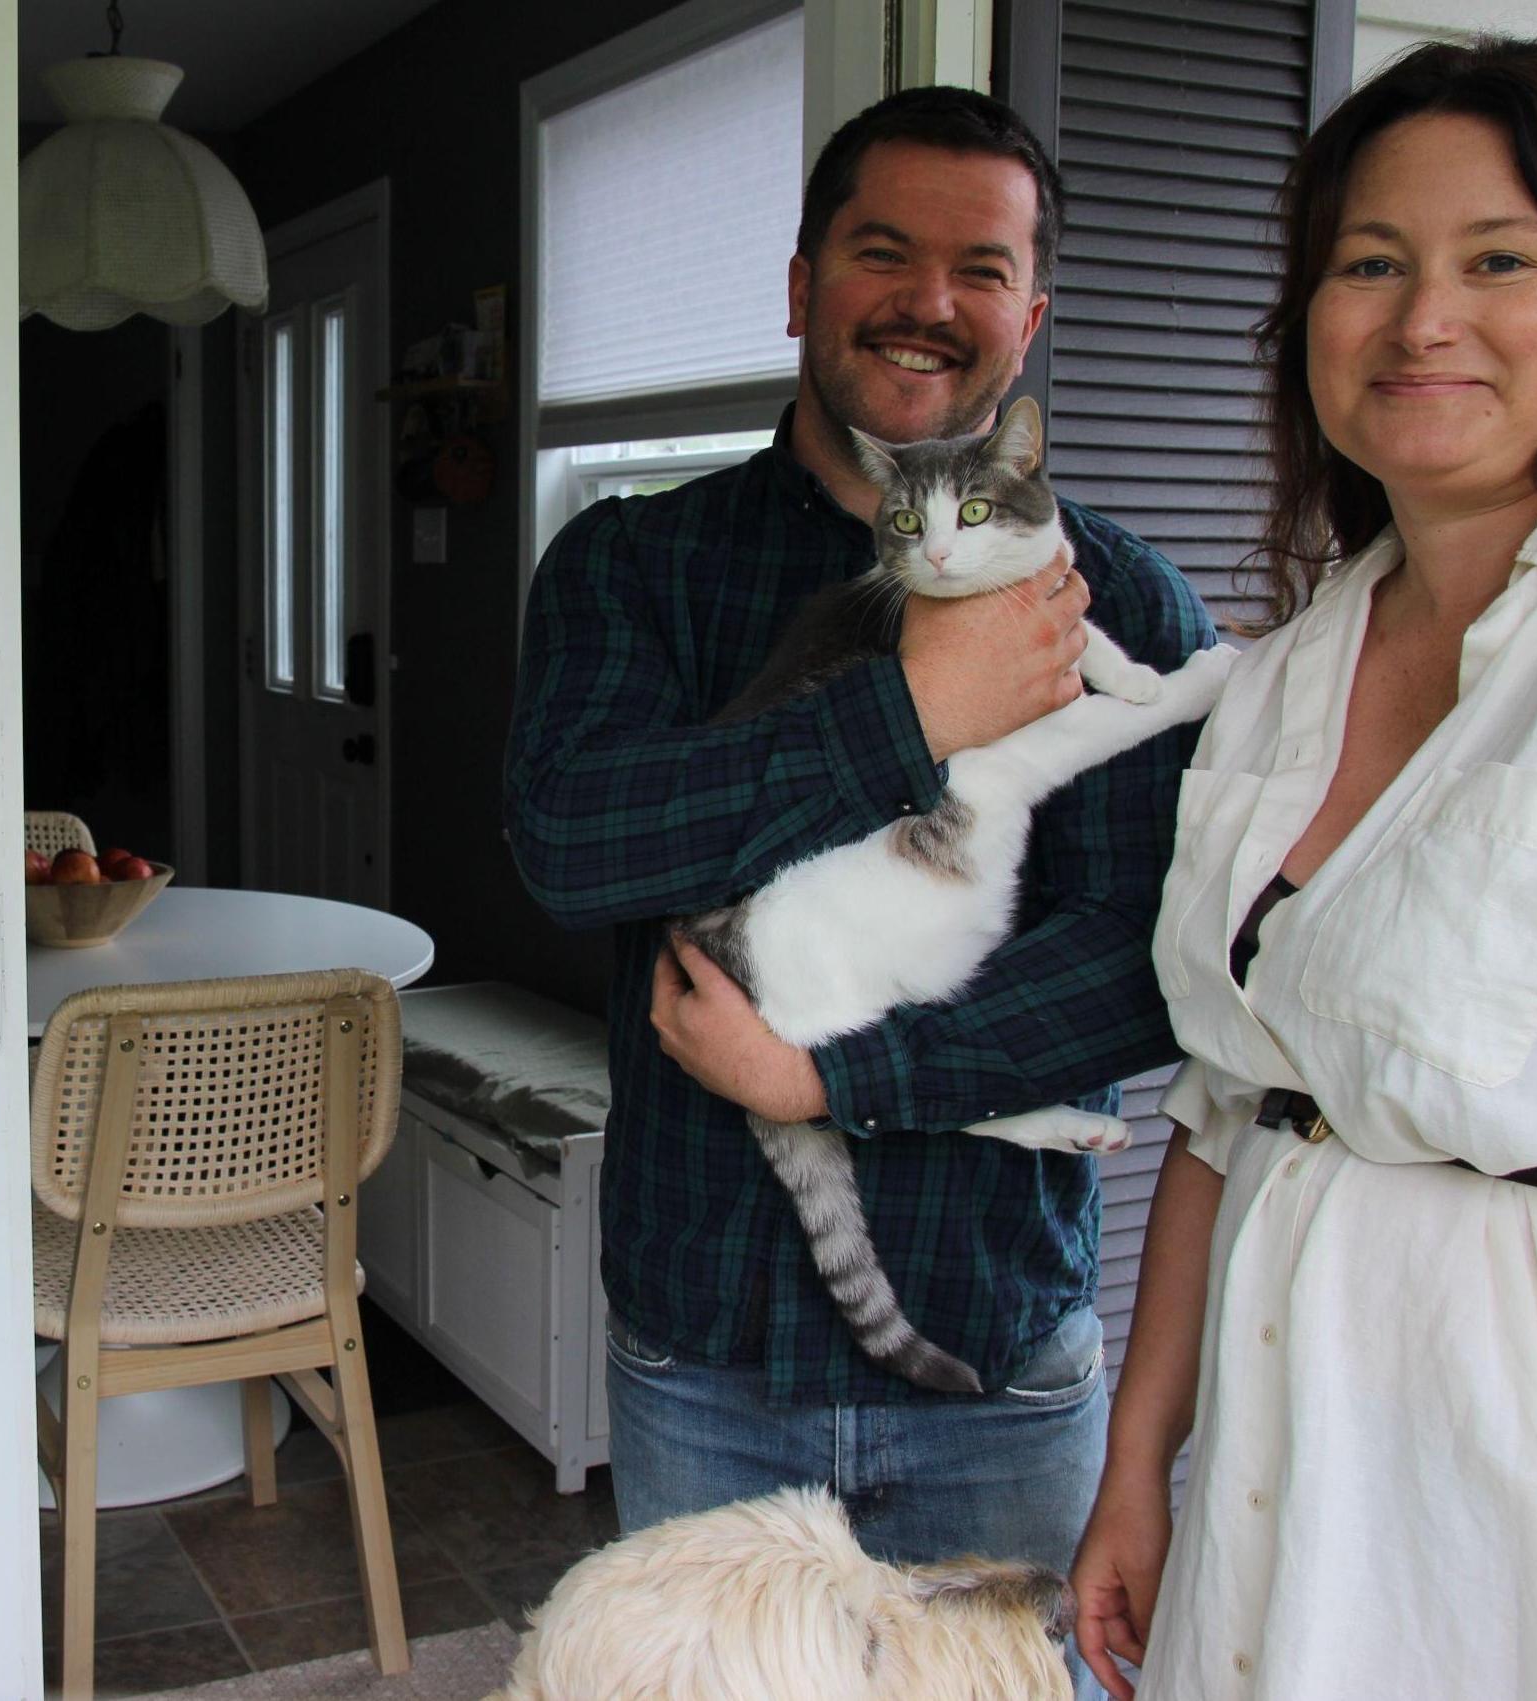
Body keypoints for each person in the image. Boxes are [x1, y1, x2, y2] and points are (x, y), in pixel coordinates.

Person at [504, 87, 1212, 1691]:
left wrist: (838, 1077)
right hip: (709, 1347)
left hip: (1000, 1354)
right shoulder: (635, 566)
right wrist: (906, 712)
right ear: (801, 281)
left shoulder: (1126, 596)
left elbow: (1142, 968)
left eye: (981, 267)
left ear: (1028, 314)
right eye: (880, 252)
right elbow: (576, 844)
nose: (928, 303)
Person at [1070, 34, 1537, 1701]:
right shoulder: (1283, 674)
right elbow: (1228, 1107)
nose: (1421, 318)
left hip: (1516, 1492)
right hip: (1274, 1458)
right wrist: (1136, 1461)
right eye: (1370, 264)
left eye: (1498, 260)